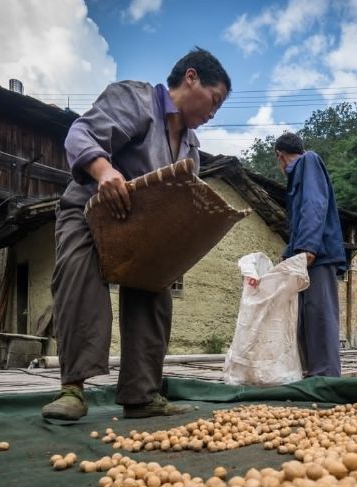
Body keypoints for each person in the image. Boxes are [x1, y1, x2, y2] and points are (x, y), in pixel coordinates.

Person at [42, 48, 231, 421]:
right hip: (91, 211)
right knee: (79, 277)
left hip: (142, 229)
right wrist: (104, 172)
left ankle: (141, 395)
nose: (213, 113)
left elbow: (182, 199)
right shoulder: (138, 99)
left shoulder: (191, 147)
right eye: (215, 100)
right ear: (191, 77)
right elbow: (80, 133)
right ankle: (73, 389)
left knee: (155, 292)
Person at [274, 132, 346, 377]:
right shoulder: (297, 176)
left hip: (318, 256)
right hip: (306, 255)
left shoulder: (309, 161)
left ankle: (326, 378)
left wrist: (308, 248)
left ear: (279, 156)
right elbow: (298, 224)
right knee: (303, 320)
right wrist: (287, 256)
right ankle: (310, 374)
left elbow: (314, 205)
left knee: (320, 317)